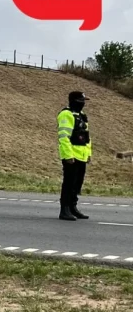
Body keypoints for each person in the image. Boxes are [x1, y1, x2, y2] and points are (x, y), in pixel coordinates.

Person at [57, 91, 92, 221]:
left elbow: (87, 137)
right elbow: (64, 137)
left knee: (77, 184)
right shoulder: (66, 114)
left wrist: (88, 154)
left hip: (82, 155)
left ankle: (73, 207)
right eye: (81, 101)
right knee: (69, 183)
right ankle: (64, 210)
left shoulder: (82, 115)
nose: (83, 104)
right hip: (71, 156)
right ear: (75, 101)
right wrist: (68, 156)